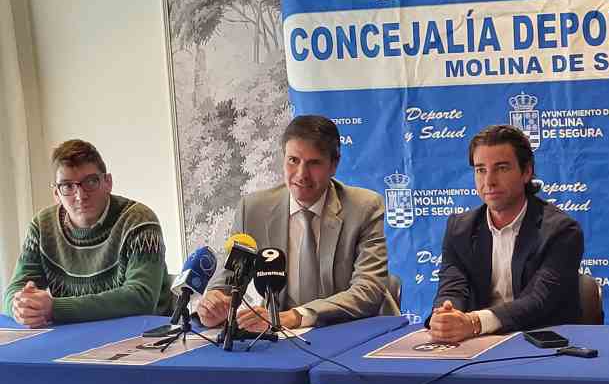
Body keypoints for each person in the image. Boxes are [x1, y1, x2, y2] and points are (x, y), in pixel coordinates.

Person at [199, 115, 399, 331]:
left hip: (352, 330)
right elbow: (229, 279)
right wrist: (214, 304)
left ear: (334, 165)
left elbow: (368, 290)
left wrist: (297, 316)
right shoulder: (253, 210)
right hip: (281, 337)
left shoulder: (364, 208)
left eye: (314, 163)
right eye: (293, 160)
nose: (302, 175)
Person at [427, 124, 584, 342]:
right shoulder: (459, 229)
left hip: (542, 343)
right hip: (477, 343)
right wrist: (445, 316)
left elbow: (537, 301)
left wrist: (474, 322)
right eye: (481, 170)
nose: (489, 181)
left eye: (501, 168)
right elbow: (452, 288)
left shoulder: (561, 231)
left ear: (526, 172)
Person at [3, 139, 171, 326]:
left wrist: (55, 308)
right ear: (56, 193)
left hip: (146, 333)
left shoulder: (138, 220)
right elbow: (14, 290)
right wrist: (21, 307)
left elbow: (141, 299)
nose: (80, 195)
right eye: (68, 186)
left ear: (108, 182)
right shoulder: (42, 226)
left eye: (90, 182)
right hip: (75, 333)